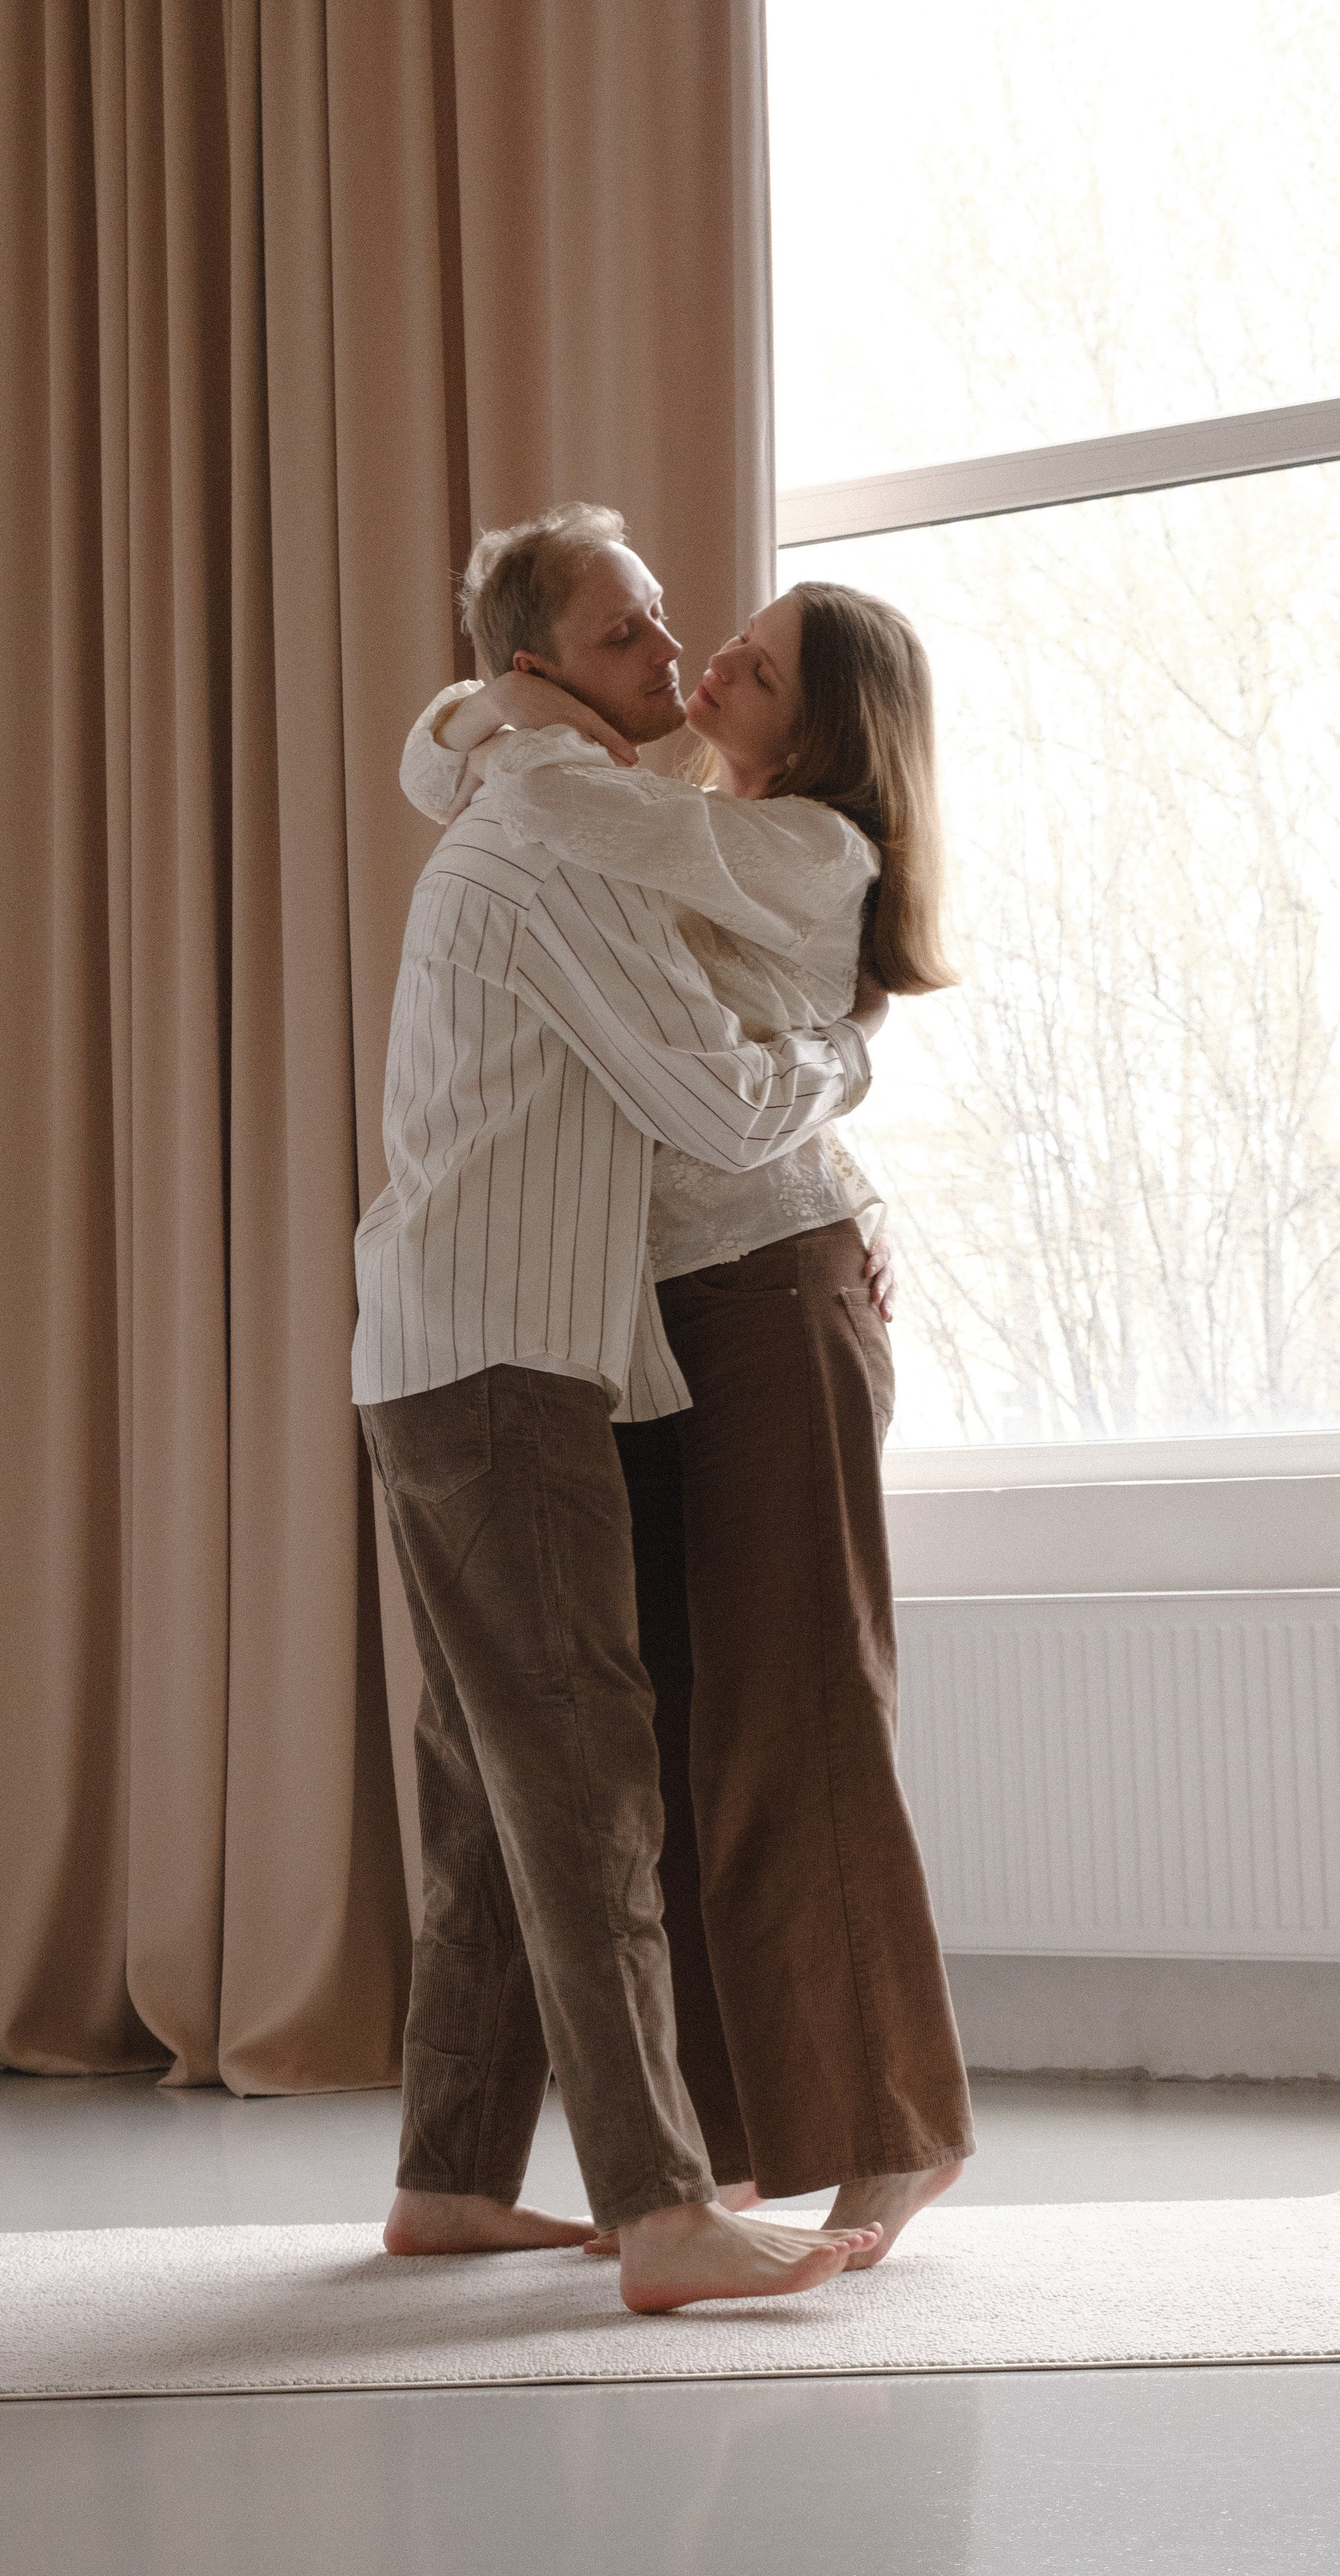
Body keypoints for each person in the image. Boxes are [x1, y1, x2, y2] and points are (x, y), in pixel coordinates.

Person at [403, 525, 973, 2268]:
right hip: (651, 1322)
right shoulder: (678, 823)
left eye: (755, 662)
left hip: (762, 1298)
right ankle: (725, 2149)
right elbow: (504, 799)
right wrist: (483, 725)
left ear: (818, 734)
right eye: (702, 635)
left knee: (795, 1714)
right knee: (669, 1736)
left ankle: (888, 2132)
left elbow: (521, 802)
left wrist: (483, 724)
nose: (706, 658)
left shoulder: (786, 844)